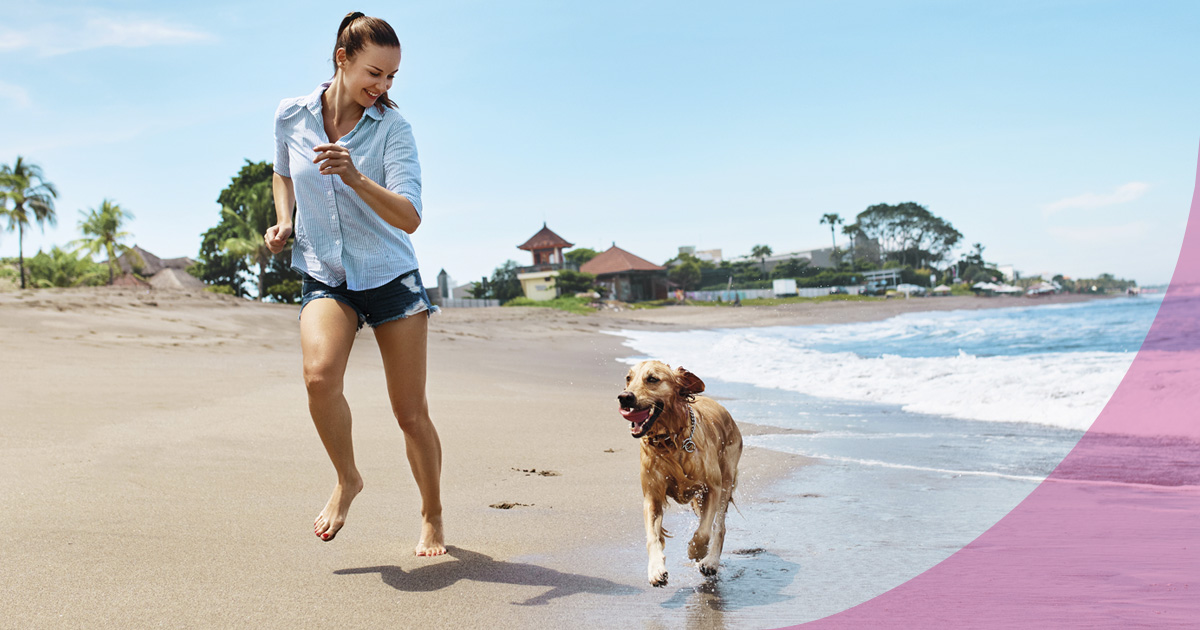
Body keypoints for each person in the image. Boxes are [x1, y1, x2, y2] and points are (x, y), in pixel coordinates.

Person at [265, 11, 445, 556]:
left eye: (391, 77)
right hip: (326, 271)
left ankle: (432, 515)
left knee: (409, 413)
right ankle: (347, 478)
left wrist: (354, 174)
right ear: (342, 59)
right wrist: (286, 220)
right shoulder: (290, 115)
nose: (382, 87)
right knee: (320, 378)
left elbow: (410, 217)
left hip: (390, 277)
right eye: (374, 73)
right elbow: (281, 171)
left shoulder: (394, 130)